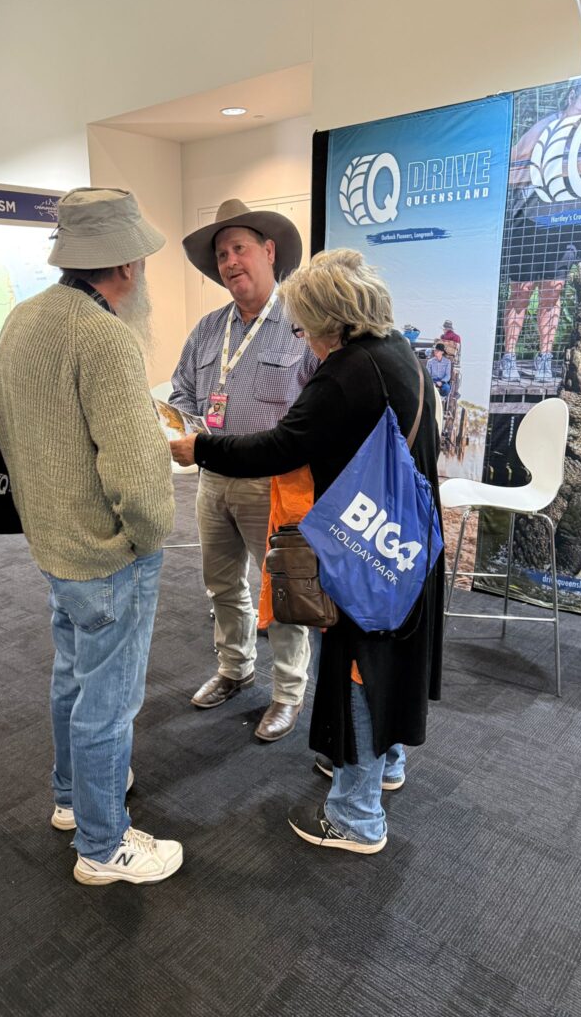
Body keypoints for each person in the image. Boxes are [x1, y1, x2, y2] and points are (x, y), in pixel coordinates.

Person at [170, 248, 443, 854]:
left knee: (358, 666)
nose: (303, 338)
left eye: (304, 326)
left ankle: (355, 816)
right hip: (401, 542)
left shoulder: (347, 372)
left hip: (361, 548)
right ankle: (384, 763)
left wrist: (203, 449)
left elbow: (282, 446)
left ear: (330, 319)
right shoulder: (400, 354)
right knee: (386, 658)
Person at [0, 188, 181, 886]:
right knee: (111, 698)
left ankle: (73, 799)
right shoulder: (105, 337)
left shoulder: (23, 319)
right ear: (126, 265)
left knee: (73, 676)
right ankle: (104, 848)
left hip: (52, 544)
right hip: (108, 553)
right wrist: (148, 538)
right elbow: (137, 471)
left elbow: (10, 432)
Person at [170, 199, 319, 741]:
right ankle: (235, 669)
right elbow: (183, 389)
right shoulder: (209, 328)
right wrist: (187, 427)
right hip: (213, 479)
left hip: (274, 483)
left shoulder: (302, 327)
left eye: (240, 248)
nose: (231, 261)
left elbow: (319, 405)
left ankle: (288, 691)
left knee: (280, 590)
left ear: (269, 252)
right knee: (222, 585)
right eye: (222, 253)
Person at [499, 78, 581, 384]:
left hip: (567, 224)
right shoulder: (545, 127)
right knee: (521, 291)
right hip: (530, 223)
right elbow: (509, 172)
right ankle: (509, 358)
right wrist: (555, 170)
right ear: (572, 96)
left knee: (553, 293)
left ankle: (545, 359)